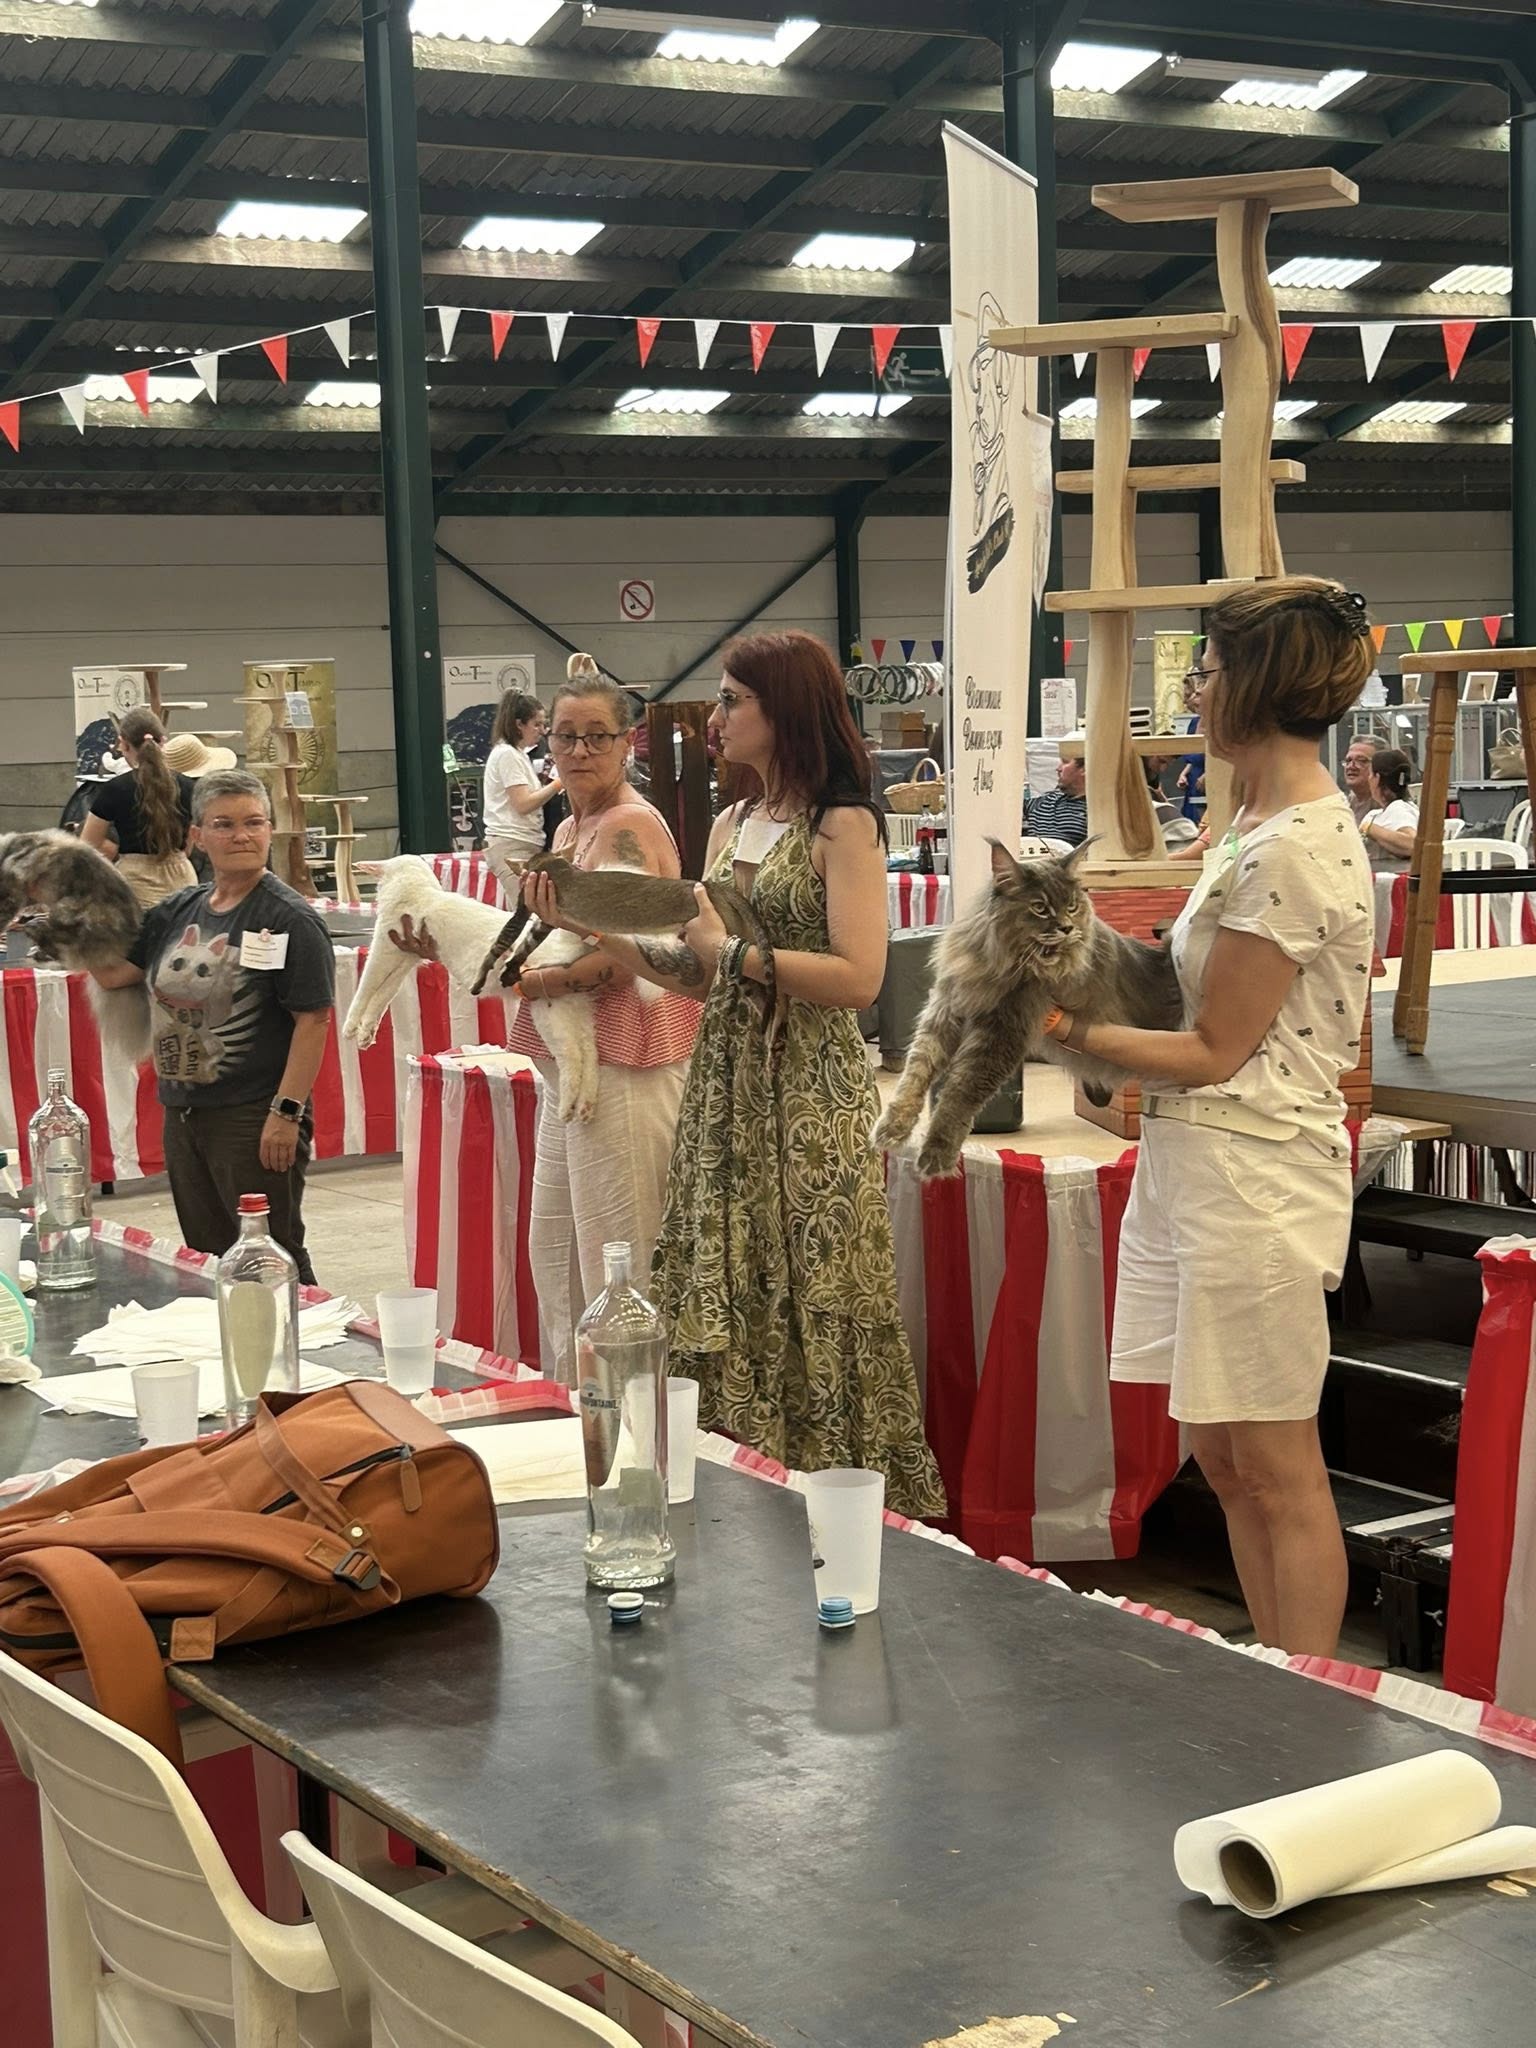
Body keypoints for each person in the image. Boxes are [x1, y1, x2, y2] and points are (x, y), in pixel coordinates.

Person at [536, 630, 945, 1519]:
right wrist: (593, 929)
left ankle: (831, 1504)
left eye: (731, 700)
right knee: (730, 1283)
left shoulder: (843, 823)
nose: (715, 718)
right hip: (725, 1092)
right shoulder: (729, 824)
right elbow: (696, 972)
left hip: (807, 1095)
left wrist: (737, 956)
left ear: (782, 709)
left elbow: (860, 979)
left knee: (811, 1286)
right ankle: (743, 1495)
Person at [1040, 578, 1375, 1657]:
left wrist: (1061, 1025)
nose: (1195, 691)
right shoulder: (1249, 825)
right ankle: (1276, 1674)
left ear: (1257, 683)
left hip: (1255, 1174)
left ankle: (1308, 1698)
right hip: (1201, 1165)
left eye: (1209, 670)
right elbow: (1189, 1006)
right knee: (1225, 1460)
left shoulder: (1292, 847)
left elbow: (1214, 1049)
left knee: (1276, 1467)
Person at [397, 654, 701, 1382]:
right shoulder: (569, 829)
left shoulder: (629, 826)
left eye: (597, 736)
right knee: (558, 1254)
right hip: (574, 1063)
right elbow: (549, 939)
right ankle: (577, 1403)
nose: (579, 751)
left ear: (626, 744)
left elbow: (633, 953)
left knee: (619, 1260)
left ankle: (633, 1415)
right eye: (566, 736)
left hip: (627, 1060)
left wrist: (537, 982)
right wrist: (456, 946)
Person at [89, 771, 335, 1284]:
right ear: (196, 836)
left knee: (269, 1256)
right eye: (224, 824)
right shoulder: (179, 909)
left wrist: (286, 1113)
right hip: (183, 1112)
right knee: (208, 1260)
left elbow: (313, 1020)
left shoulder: (290, 919)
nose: (241, 835)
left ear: (270, 830)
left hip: (252, 1114)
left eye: (254, 822)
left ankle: (314, 1333)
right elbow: (114, 974)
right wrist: (71, 921)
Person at [79, 709, 198, 910]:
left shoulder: (115, 789)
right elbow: (189, 845)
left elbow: (88, 844)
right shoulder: (189, 786)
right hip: (183, 879)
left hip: (135, 882)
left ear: (123, 744)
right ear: (163, 742)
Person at [482, 689, 564, 899]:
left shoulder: (517, 754)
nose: (542, 730)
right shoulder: (507, 755)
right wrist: (558, 783)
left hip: (524, 843)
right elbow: (523, 803)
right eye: (536, 724)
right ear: (519, 724)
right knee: (527, 909)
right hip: (512, 845)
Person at [1358, 747, 1419, 872]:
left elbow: (1412, 845)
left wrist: (1369, 828)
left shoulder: (1398, 809)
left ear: (1377, 778)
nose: (1369, 779)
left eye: (1370, 774)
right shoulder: (1378, 813)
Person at [1024, 755, 1088, 845]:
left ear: (1084, 769)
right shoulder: (1047, 800)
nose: (1058, 769)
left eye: (1065, 762)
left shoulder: (1095, 810)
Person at [1340, 734, 1378, 827]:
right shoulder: (1343, 805)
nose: (1351, 766)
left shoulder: (1391, 808)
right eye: (1348, 760)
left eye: (1361, 761)